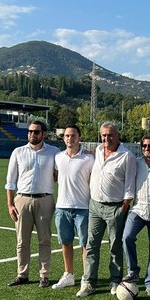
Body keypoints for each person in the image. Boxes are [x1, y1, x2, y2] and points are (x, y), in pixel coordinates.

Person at [76, 122, 136, 297]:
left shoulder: (127, 156)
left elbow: (130, 185)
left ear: (118, 136)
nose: (106, 138)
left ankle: (115, 280)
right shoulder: (98, 151)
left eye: (110, 135)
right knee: (91, 245)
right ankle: (88, 281)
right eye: (103, 135)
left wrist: (124, 207)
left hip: (115, 207)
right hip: (95, 205)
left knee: (115, 246)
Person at [5, 120, 59, 288]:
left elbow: (60, 174)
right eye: (30, 131)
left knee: (44, 240)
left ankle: (44, 275)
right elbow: (10, 181)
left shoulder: (54, 152)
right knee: (22, 241)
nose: (32, 135)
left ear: (43, 134)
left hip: (45, 200)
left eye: (36, 132)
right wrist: (10, 204)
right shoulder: (18, 152)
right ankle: (22, 274)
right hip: (22, 200)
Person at [52, 124, 94, 289]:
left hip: (83, 208)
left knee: (85, 244)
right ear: (64, 138)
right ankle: (68, 274)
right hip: (62, 207)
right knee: (66, 242)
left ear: (80, 138)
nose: (70, 138)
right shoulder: (58, 157)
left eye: (73, 135)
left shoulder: (89, 159)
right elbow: (55, 176)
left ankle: (86, 277)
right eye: (67, 136)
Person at [122, 134, 150, 296]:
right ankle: (133, 271)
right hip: (138, 209)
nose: (147, 149)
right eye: (145, 146)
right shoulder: (136, 163)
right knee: (127, 237)